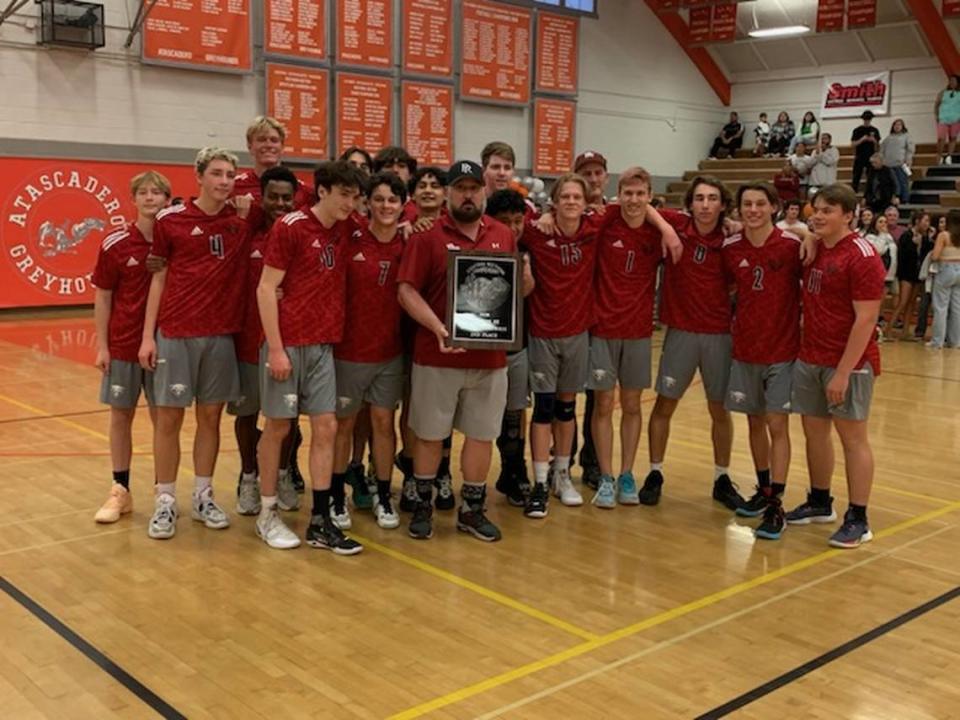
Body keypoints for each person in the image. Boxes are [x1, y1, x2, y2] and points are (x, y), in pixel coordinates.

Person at [397, 160, 523, 542]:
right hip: (438, 356)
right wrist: (437, 327)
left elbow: (514, 291)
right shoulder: (426, 236)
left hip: (490, 359)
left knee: (482, 436)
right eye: (460, 188)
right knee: (430, 436)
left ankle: (472, 509)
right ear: (449, 193)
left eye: (474, 188)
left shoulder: (503, 234)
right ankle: (423, 505)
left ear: (483, 191)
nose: (467, 194)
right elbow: (405, 290)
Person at [254, 160, 367, 553]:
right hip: (287, 345)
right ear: (322, 192)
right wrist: (277, 348)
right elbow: (267, 288)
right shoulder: (291, 228)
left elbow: (388, 231)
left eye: (355, 197)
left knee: (327, 429)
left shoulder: (347, 228)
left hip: (323, 346)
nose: (351, 204)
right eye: (344, 195)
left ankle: (319, 520)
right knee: (279, 428)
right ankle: (267, 513)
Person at [138, 148, 249, 540]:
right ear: (198, 176)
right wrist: (148, 336)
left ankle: (203, 495)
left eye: (230, 175)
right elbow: (159, 279)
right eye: (217, 173)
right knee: (168, 419)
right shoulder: (171, 221)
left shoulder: (240, 222)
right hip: (176, 333)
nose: (224, 181)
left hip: (220, 336)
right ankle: (165, 500)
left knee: (211, 419)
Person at [787, 183, 885, 549]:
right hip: (810, 356)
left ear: (848, 215)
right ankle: (819, 501)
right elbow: (790, 228)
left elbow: (866, 319)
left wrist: (844, 372)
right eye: (817, 209)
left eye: (828, 210)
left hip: (849, 364)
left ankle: (858, 518)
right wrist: (806, 235)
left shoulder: (862, 255)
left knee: (853, 440)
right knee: (814, 433)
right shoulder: (816, 247)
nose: (819, 216)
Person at [641, 176, 743, 510]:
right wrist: (667, 231)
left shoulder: (733, 237)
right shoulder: (677, 224)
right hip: (681, 332)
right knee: (664, 405)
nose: (705, 204)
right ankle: (655, 472)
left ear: (723, 204)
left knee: (720, 410)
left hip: (719, 335)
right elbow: (639, 203)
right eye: (699, 198)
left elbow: (782, 228)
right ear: (690, 203)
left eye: (712, 198)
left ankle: (722, 476)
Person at [721, 182, 802, 540]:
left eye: (759, 204)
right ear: (739, 210)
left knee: (777, 425)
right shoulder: (731, 249)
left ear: (774, 207)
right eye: (746, 204)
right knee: (755, 422)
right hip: (746, 350)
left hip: (783, 350)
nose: (753, 210)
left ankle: (777, 505)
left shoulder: (793, 246)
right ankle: (764, 489)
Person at [91, 171, 170, 523]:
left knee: (163, 419)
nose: (150, 198)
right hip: (123, 343)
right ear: (133, 199)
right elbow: (103, 296)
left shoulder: (176, 241)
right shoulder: (116, 242)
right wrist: (103, 346)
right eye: (144, 192)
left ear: (167, 199)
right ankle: (120, 489)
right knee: (120, 415)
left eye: (157, 192)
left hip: (165, 343)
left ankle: (162, 490)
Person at [331, 172, 408, 530]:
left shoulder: (409, 243)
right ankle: (334, 495)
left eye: (393, 200)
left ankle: (382, 492)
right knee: (343, 424)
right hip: (349, 351)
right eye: (378, 199)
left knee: (382, 422)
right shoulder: (351, 235)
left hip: (390, 352)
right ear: (368, 203)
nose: (386, 206)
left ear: (402, 205)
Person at [589, 167, 666, 509]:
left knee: (632, 405)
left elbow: (707, 220)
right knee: (604, 405)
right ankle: (605, 476)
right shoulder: (605, 221)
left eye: (640, 194)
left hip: (637, 332)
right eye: (628, 193)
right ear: (618, 195)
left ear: (649, 196)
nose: (634, 200)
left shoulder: (658, 229)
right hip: (603, 329)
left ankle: (626, 473)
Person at [232, 167, 300, 518]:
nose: (280, 203)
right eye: (273, 196)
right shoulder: (249, 236)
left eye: (287, 198)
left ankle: (284, 475)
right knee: (247, 414)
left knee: (285, 419)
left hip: (289, 344)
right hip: (248, 341)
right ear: (262, 197)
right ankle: (248, 477)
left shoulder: (300, 238)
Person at [486, 189, 536, 506]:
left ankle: (514, 470)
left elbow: (526, 290)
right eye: (505, 221)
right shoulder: (480, 249)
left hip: (517, 346)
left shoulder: (529, 248)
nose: (513, 227)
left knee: (515, 414)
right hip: (484, 347)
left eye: (518, 221)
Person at [890, 211, 933, 339]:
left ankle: (905, 332)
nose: (927, 224)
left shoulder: (925, 238)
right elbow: (903, 256)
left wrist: (923, 242)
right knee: (903, 302)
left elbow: (927, 254)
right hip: (906, 274)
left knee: (911, 304)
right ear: (917, 221)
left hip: (917, 274)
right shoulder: (906, 236)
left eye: (928, 221)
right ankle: (888, 328)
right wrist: (914, 245)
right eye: (925, 221)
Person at [928, 209, 960, 348]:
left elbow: (935, 256)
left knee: (940, 307)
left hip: (946, 269)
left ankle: (937, 341)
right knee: (957, 307)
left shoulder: (944, 235)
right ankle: (955, 341)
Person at [880, 119, 915, 204]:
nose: (897, 126)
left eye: (899, 125)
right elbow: (882, 150)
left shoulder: (906, 136)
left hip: (901, 164)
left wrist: (908, 160)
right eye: (895, 125)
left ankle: (905, 199)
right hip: (889, 164)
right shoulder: (888, 138)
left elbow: (910, 150)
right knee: (893, 184)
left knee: (903, 182)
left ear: (902, 126)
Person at [850, 111, 881, 192]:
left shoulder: (874, 130)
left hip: (871, 156)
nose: (867, 120)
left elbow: (878, 145)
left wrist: (874, 140)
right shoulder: (857, 130)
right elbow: (853, 144)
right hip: (860, 155)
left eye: (869, 119)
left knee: (871, 176)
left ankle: (870, 192)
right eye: (865, 119)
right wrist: (862, 139)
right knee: (856, 175)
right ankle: (854, 191)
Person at [935, 75, 960, 164]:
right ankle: (940, 156)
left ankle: (949, 156)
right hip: (943, 119)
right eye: (950, 81)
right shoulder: (942, 93)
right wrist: (937, 116)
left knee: (952, 138)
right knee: (941, 138)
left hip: (956, 119)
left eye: (954, 81)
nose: (952, 82)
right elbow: (937, 105)